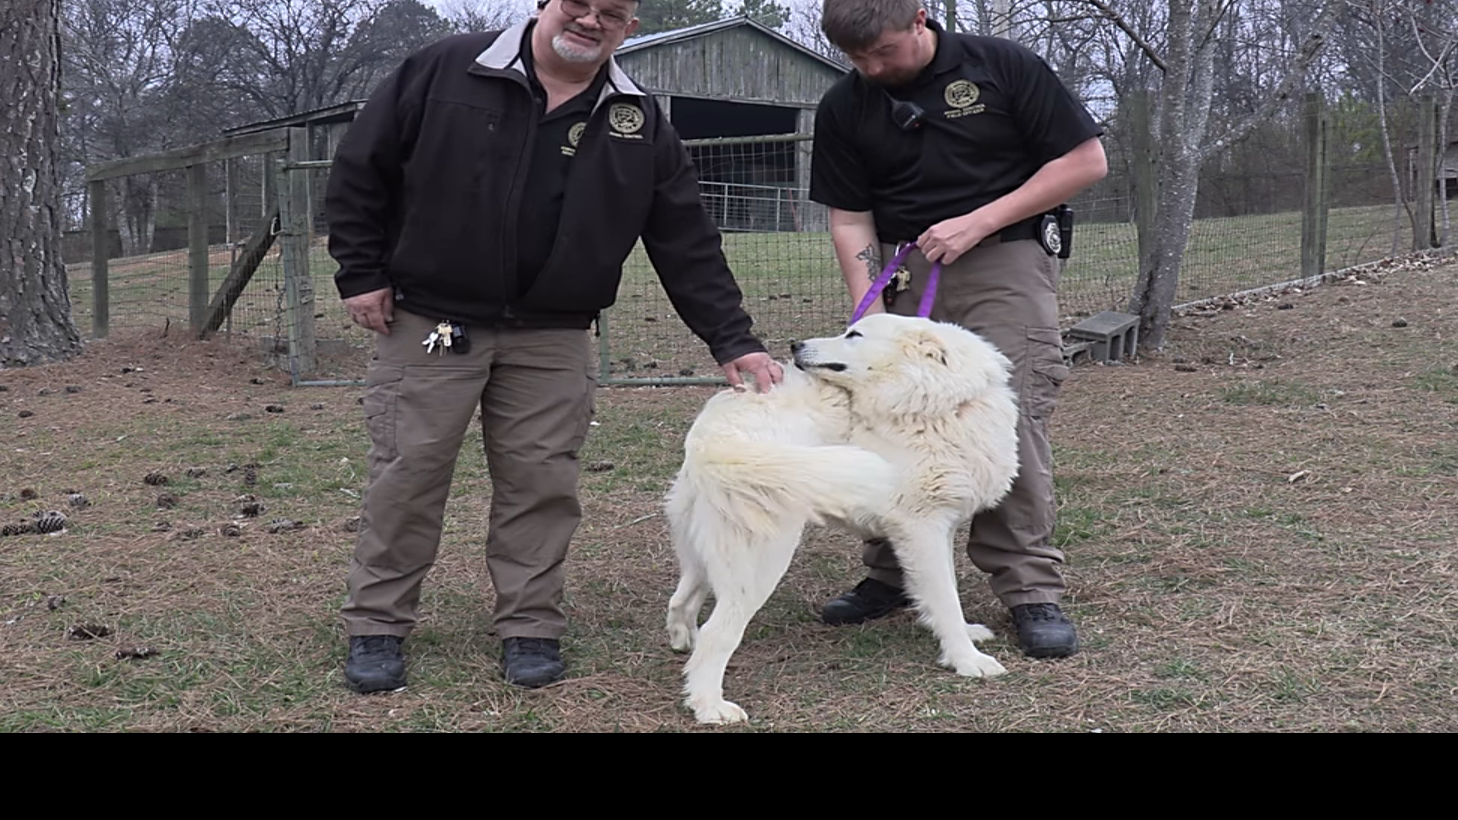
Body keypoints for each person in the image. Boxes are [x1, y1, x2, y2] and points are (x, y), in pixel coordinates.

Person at [324, 0, 784, 693]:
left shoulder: (636, 118)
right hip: (441, 325)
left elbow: (685, 239)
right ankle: (378, 624)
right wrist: (361, 272)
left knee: (541, 481)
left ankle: (530, 626)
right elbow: (363, 167)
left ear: (631, 28)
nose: (591, 20)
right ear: (545, 5)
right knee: (411, 469)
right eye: (579, 4)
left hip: (551, 333)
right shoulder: (446, 70)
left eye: (613, 12)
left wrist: (732, 340)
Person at [808, 0, 1107, 659]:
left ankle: (1028, 586)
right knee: (891, 419)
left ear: (920, 19)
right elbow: (850, 216)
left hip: (1001, 256)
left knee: (1003, 416)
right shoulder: (846, 105)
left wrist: (977, 220)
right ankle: (893, 572)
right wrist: (870, 315)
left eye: (883, 52)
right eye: (857, 59)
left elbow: (1084, 162)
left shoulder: (1002, 67)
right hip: (899, 266)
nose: (872, 68)